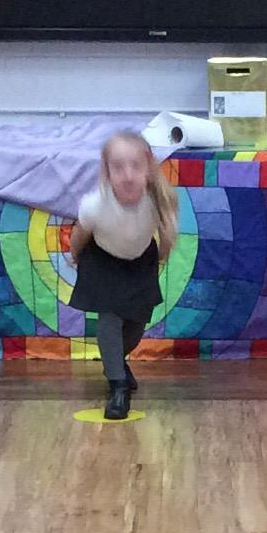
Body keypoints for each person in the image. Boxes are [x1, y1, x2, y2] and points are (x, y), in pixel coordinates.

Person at [69, 130, 177, 420]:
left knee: (135, 325)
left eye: (135, 166)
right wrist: (75, 256)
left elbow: (167, 231)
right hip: (103, 261)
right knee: (110, 319)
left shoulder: (157, 201)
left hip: (139, 262)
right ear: (107, 173)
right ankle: (118, 386)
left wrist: (162, 253)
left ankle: (115, 362)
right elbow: (80, 235)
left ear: (148, 170)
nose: (128, 176)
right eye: (118, 168)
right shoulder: (95, 205)